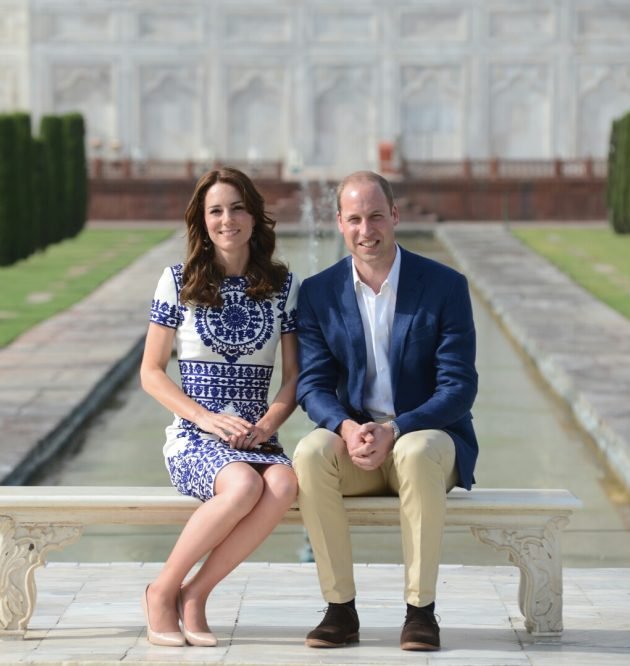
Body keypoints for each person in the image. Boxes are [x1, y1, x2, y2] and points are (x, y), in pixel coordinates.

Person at [293, 170, 478, 652]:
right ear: (338, 223)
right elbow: (311, 386)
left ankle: (421, 612)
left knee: (415, 451)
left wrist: (396, 429)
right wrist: (346, 427)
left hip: (428, 441)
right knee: (311, 452)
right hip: (359, 445)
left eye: (376, 216)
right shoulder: (318, 293)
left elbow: (459, 388)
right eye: (354, 219)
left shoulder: (444, 285)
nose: (366, 229)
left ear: (395, 215)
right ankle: (340, 610)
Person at [139, 166, 299, 647]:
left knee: (285, 482)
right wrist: (204, 417)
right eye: (215, 211)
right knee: (244, 483)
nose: (226, 219)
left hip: (256, 434)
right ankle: (161, 590)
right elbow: (151, 372)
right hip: (193, 436)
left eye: (236, 208)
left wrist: (269, 422)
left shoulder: (283, 286)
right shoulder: (177, 281)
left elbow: (294, 377)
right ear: (202, 222)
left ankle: (196, 595)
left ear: (253, 216)